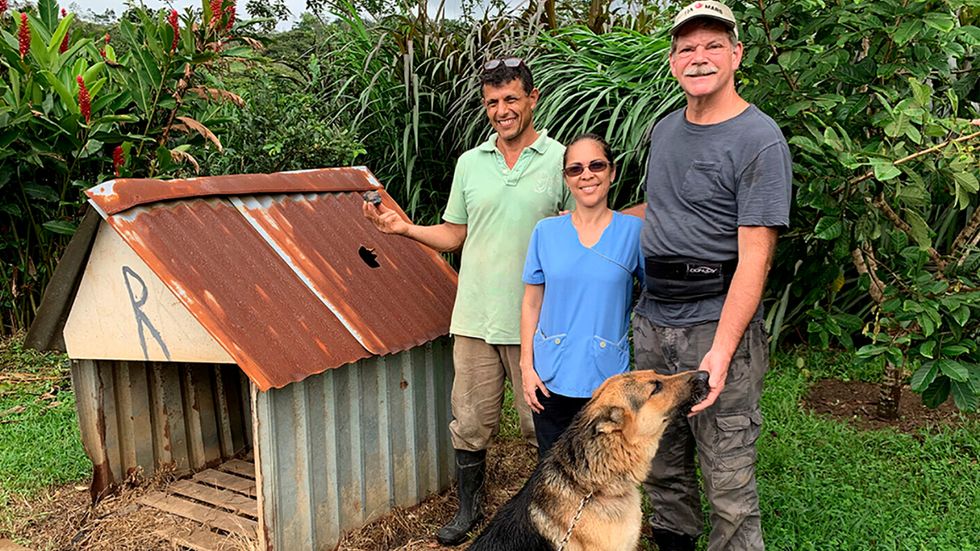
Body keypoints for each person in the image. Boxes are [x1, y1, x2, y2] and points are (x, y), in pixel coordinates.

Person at [362, 57, 573, 546]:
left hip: (537, 324)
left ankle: (552, 515)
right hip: (476, 316)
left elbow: (579, 236)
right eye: (493, 102)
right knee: (471, 421)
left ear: (532, 99)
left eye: (511, 99)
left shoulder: (561, 160)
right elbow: (455, 234)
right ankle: (469, 508)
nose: (502, 110)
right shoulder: (470, 164)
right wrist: (404, 229)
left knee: (538, 425)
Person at [633, 2, 792, 550]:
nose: (698, 58)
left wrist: (722, 352)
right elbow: (660, 209)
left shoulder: (759, 140)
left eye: (712, 46)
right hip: (653, 319)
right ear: (673, 60)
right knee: (661, 465)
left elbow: (755, 257)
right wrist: (585, 220)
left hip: (713, 323)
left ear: (736, 55)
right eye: (686, 48)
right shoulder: (664, 131)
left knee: (727, 478)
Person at [519, 133, 643, 459]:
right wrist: (526, 367)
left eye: (596, 165)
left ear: (612, 172)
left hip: (607, 378)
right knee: (554, 471)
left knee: (604, 469)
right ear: (566, 179)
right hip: (551, 374)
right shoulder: (545, 232)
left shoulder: (633, 233)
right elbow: (532, 302)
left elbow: (653, 295)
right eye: (575, 169)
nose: (586, 175)